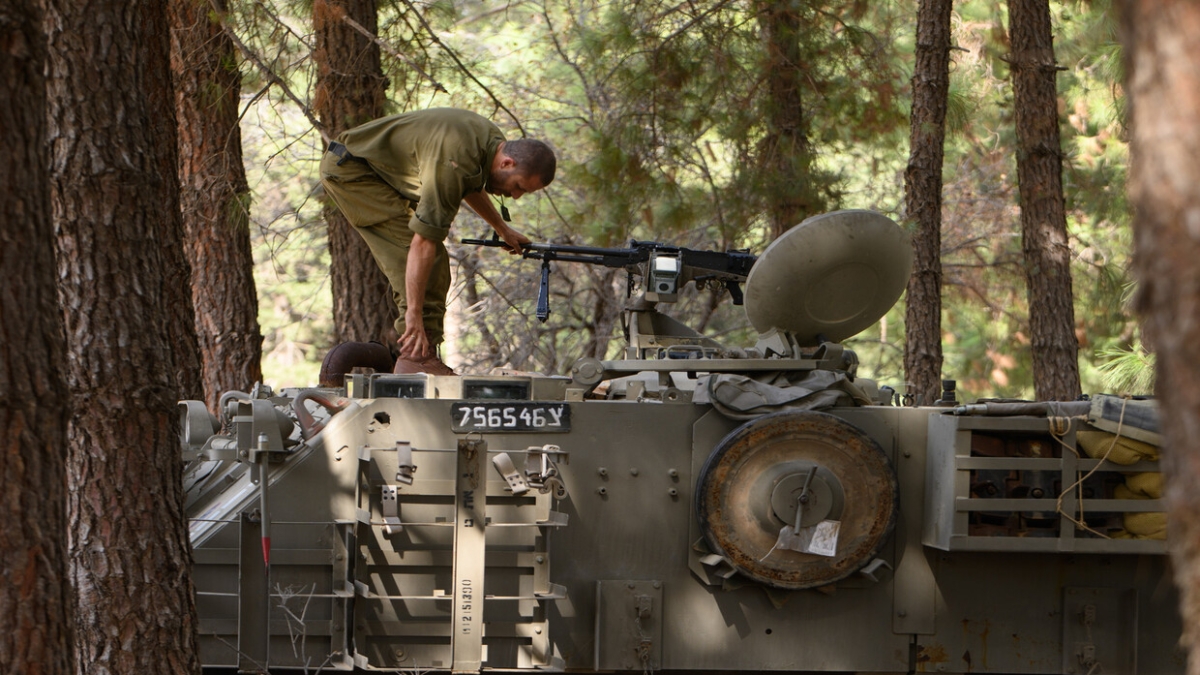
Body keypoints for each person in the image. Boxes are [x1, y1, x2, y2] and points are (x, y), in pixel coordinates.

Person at [320, 108, 556, 374]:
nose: (515, 196)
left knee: (430, 259)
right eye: (519, 186)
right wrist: (414, 316)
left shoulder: (490, 143)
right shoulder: (452, 161)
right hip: (354, 172)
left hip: (377, 171)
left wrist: (502, 228)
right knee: (424, 256)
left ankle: (420, 354)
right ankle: (416, 358)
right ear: (507, 163)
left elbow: (469, 183)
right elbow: (422, 243)